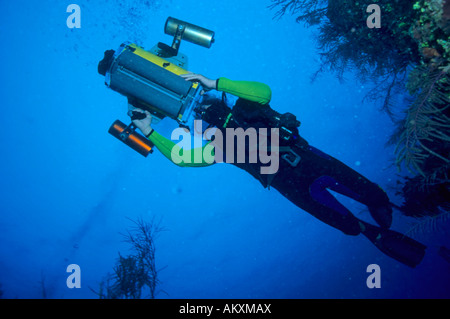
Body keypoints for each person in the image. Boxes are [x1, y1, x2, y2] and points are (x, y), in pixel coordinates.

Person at [129, 73, 426, 268]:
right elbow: (182, 157)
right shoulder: (219, 144)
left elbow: (262, 91)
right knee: (349, 226)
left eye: (209, 114)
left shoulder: (248, 109)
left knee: (373, 195)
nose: (209, 122)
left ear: (221, 104)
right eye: (204, 124)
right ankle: (374, 229)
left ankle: (386, 206)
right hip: (294, 186)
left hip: (311, 162)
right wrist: (149, 131)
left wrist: (213, 82)